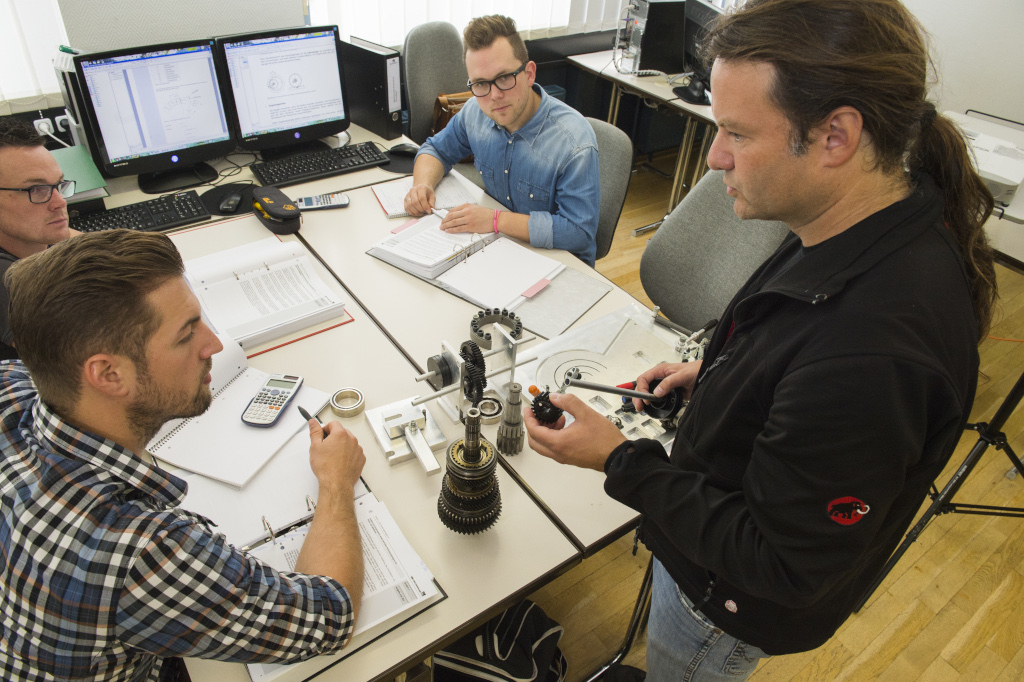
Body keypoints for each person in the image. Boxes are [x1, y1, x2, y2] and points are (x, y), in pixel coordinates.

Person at [524, 0, 996, 678]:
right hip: (709, 534)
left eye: (736, 133)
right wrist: (721, 374)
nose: (715, 158)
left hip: (725, 603)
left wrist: (616, 460)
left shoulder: (872, 357)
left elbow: (779, 562)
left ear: (836, 136)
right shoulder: (849, 220)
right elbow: (791, 342)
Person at [0, 229, 366, 681]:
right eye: (185, 335)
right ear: (107, 374)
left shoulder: (13, 385)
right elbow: (328, 619)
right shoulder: (139, 550)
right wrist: (336, 483)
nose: (214, 345)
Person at [402, 15, 601, 266]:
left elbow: (579, 233)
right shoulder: (475, 112)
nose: (494, 95)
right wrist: (422, 185)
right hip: (499, 249)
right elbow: (436, 149)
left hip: (559, 263)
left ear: (529, 73)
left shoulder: (574, 142)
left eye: (505, 78)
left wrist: (496, 221)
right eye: (481, 83)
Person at [0, 118, 79, 356]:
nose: (60, 202)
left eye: (58, 185)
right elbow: (80, 360)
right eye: (35, 189)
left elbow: (75, 239)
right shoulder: (11, 283)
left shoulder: (29, 246)